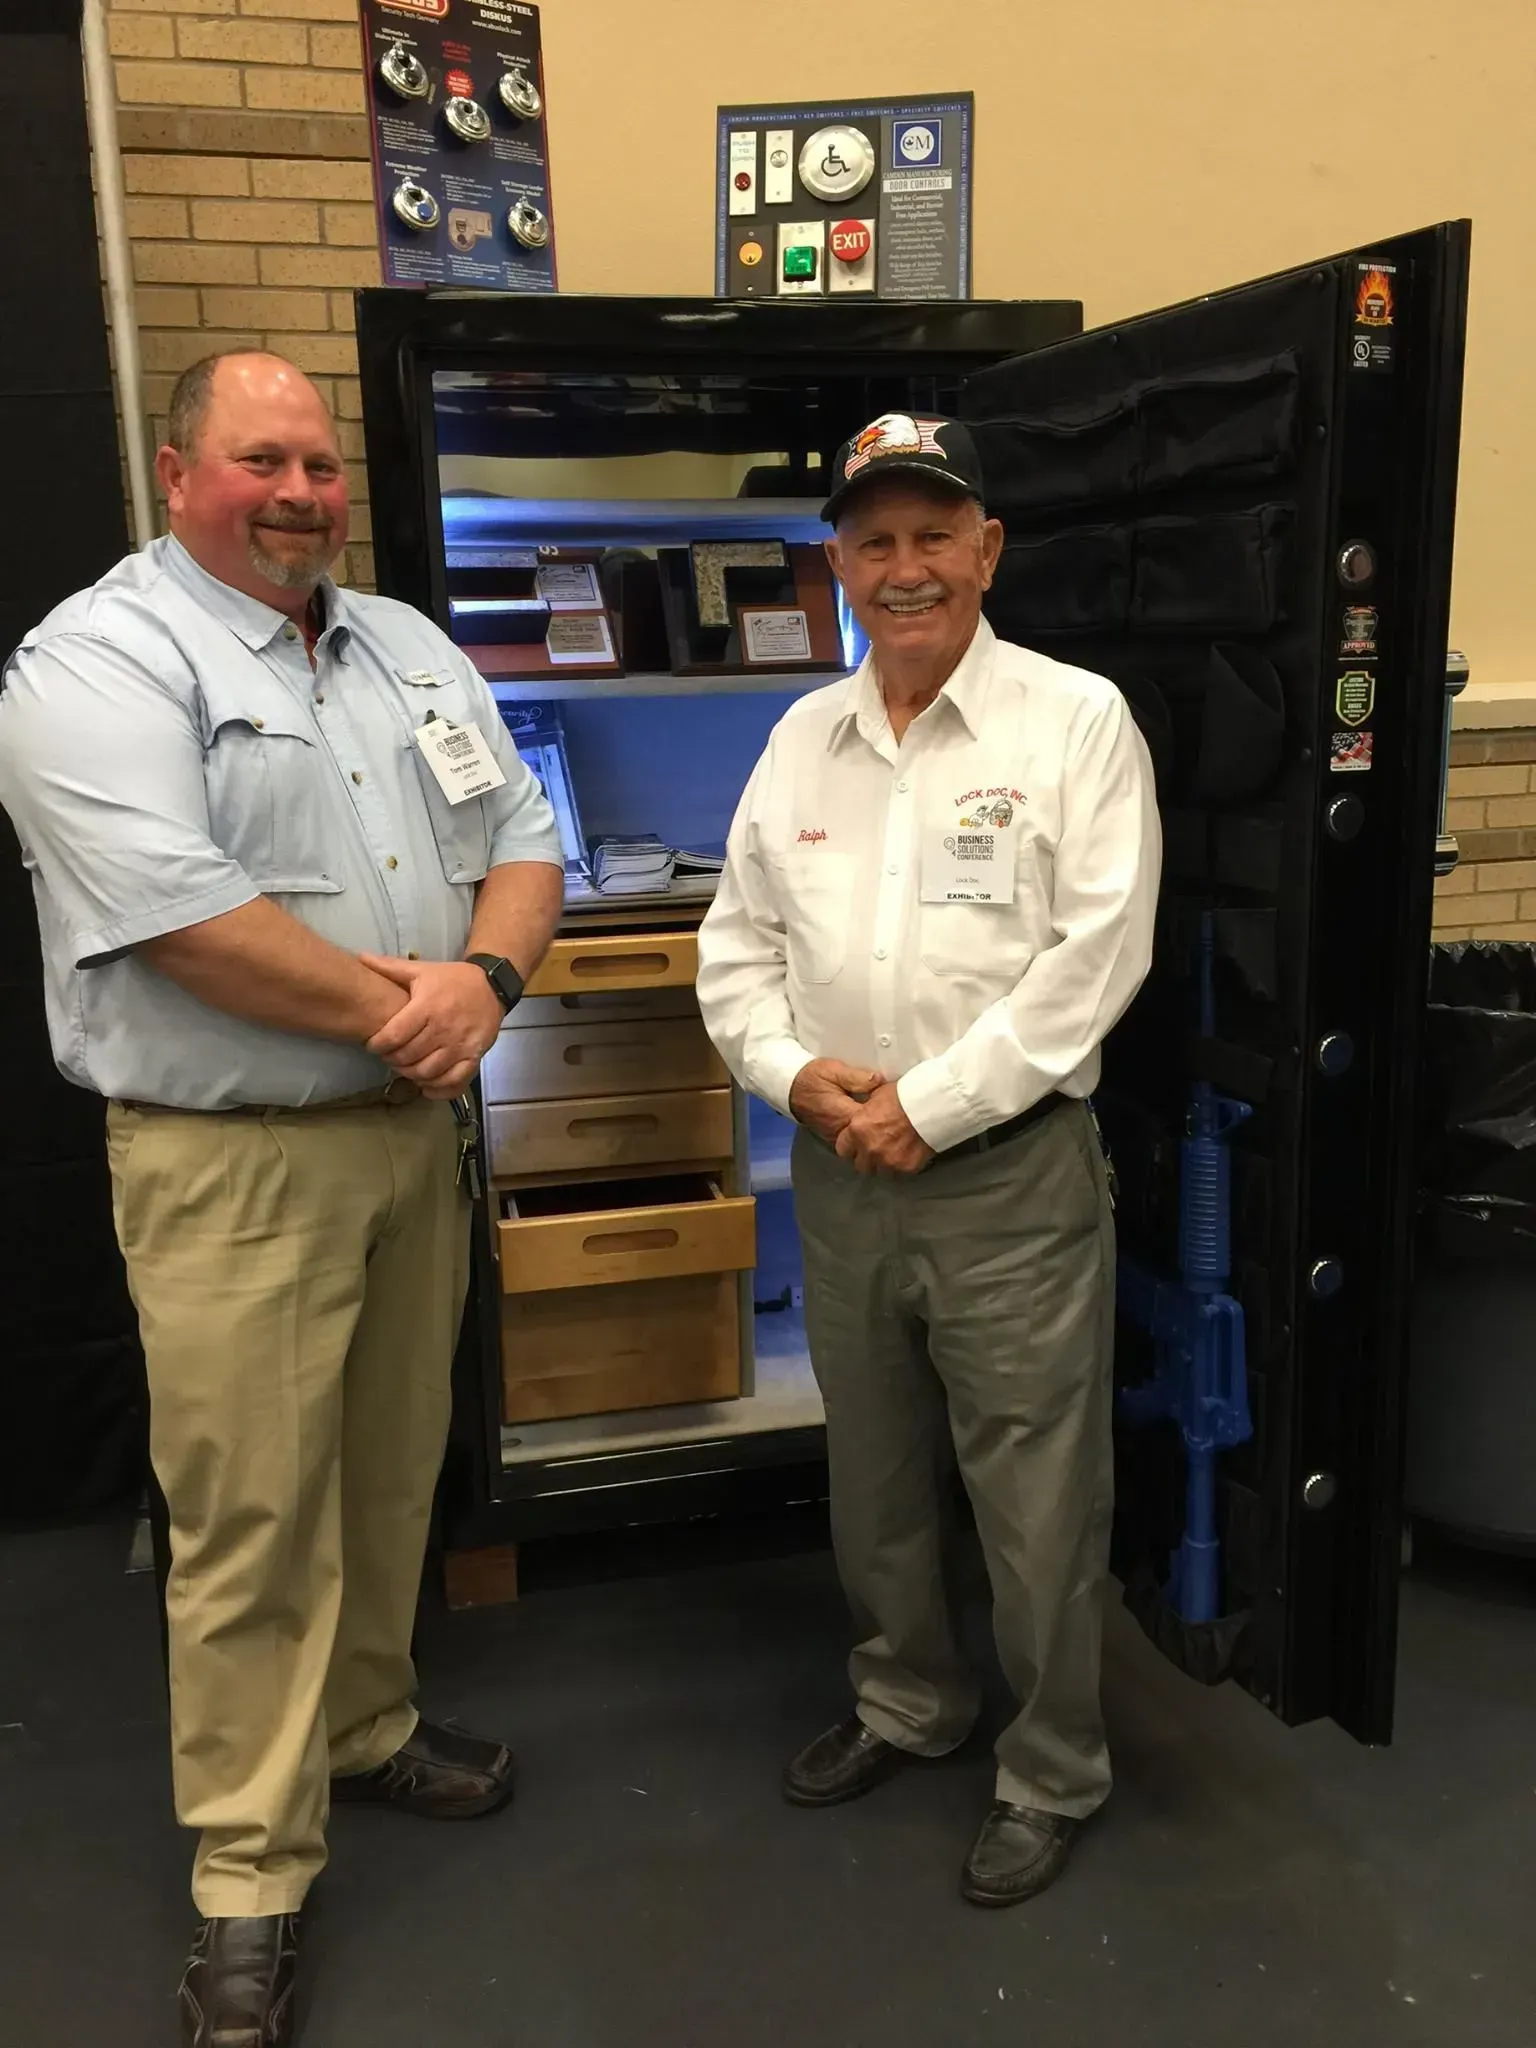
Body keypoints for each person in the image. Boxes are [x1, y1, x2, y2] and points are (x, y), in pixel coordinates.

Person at [0, 352, 564, 2045]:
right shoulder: (97, 661)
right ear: (178, 476)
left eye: (321, 463)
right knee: (250, 1521)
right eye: (265, 461)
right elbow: (177, 914)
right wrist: (428, 1006)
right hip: (231, 1164)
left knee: (394, 1475)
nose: (306, 490)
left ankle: (371, 1729)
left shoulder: (406, 645)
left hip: (409, 1145)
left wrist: (486, 978)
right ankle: (248, 1875)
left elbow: (523, 829)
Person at [696, 411, 1160, 1908]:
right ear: (838, 562)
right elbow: (735, 951)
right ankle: (909, 1699)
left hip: (1006, 1176)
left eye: (932, 537)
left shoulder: (1074, 723)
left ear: (988, 550)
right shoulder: (799, 740)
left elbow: (1097, 962)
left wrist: (934, 1105)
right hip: (842, 1168)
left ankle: (1052, 1766)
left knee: (1035, 1492)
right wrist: (791, 1074)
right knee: (875, 1464)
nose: (905, 569)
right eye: (875, 541)